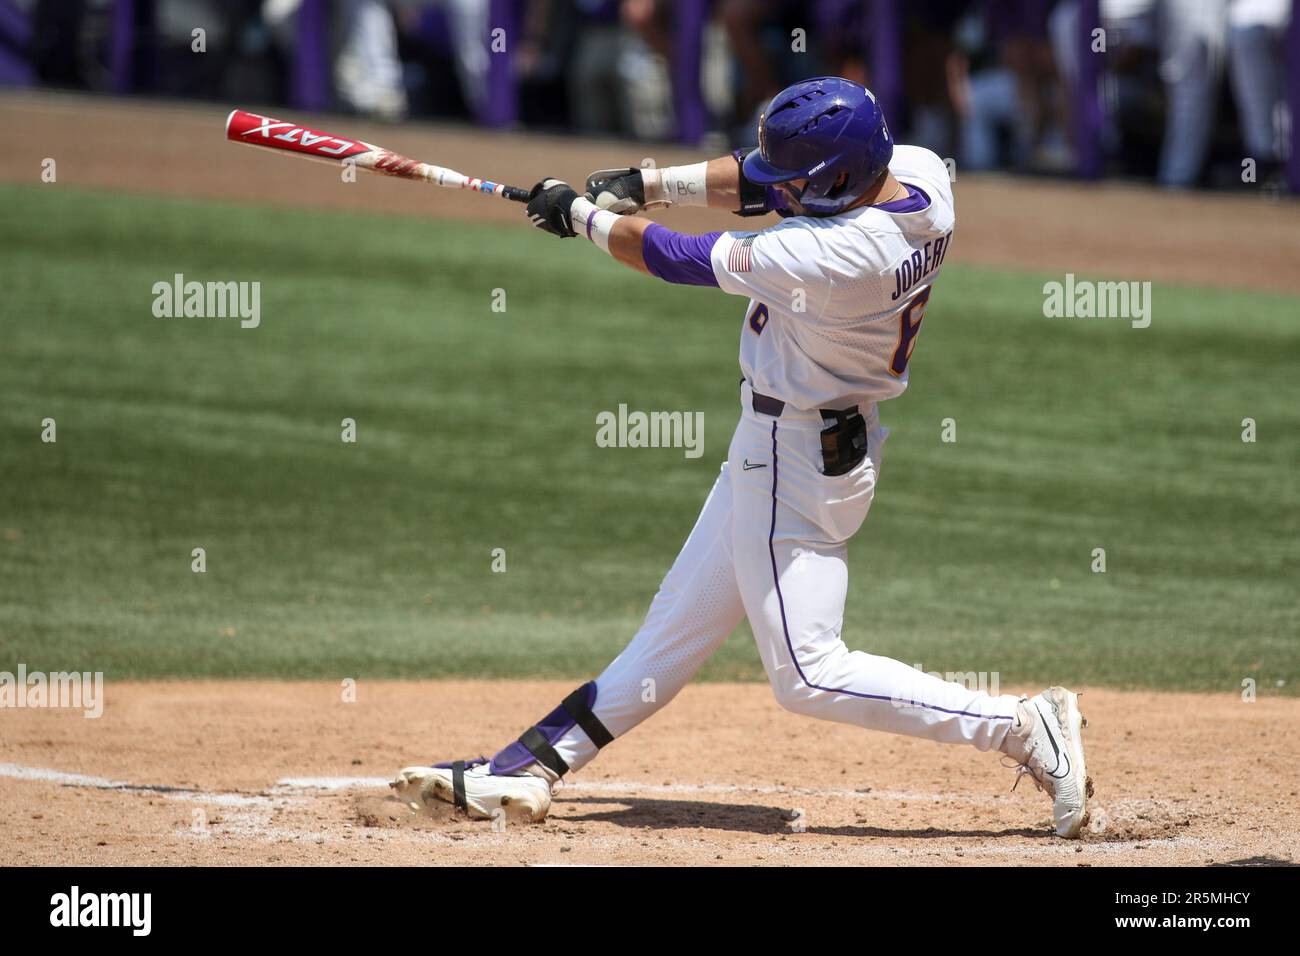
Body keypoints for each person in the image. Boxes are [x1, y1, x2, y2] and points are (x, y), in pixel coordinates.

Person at [391, 76, 1093, 839]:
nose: (776, 187)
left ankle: (1023, 726)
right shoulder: (917, 174)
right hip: (802, 443)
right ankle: (522, 771)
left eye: (797, 181)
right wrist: (648, 182)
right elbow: (760, 182)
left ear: (835, 184)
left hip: (792, 457)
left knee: (808, 673)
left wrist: (580, 216)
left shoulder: (834, 256)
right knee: (671, 635)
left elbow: (673, 256)